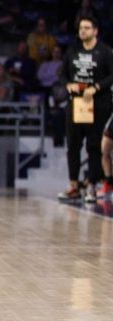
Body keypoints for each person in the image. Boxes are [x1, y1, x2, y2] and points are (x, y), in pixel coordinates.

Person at [58, 15, 113, 203]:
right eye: (81, 28)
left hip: (98, 104)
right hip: (76, 104)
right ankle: (73, 185)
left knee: (94, 146)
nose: (83, 31)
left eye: (87, 28)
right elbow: (62, 75)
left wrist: (95, 88)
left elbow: (111, 76)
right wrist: (68, 85)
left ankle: (92, 186)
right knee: (73, 145)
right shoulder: (72, 51)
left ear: (95, 31)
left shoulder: (105, 52)